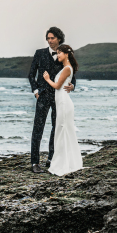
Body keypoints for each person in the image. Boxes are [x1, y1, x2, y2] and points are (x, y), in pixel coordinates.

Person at [28, 27, 76, 174]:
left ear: (59, 39)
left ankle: (51, 159)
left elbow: (71, 72)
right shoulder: (40, 53)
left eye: (52, 38)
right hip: (43, 96)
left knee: (57, 128)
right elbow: (31, 74)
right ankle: (35, 162)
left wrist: (73, 85)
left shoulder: (64, 55)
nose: (49, 41)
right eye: (48, 38)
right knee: (38, 128)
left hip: (58, 97)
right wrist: (36, 91)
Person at [42, 44, 82, 176]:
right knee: (62, 131)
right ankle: (66, 161)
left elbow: (57, 86)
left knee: (62, 131)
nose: (57, 55)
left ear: (66, 54)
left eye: (59, 53)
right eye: (57, 52)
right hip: (62, 103)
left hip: (64, 103)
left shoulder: (66, 69)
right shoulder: (66, 68)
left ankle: (64, 164)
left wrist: (47, 79)